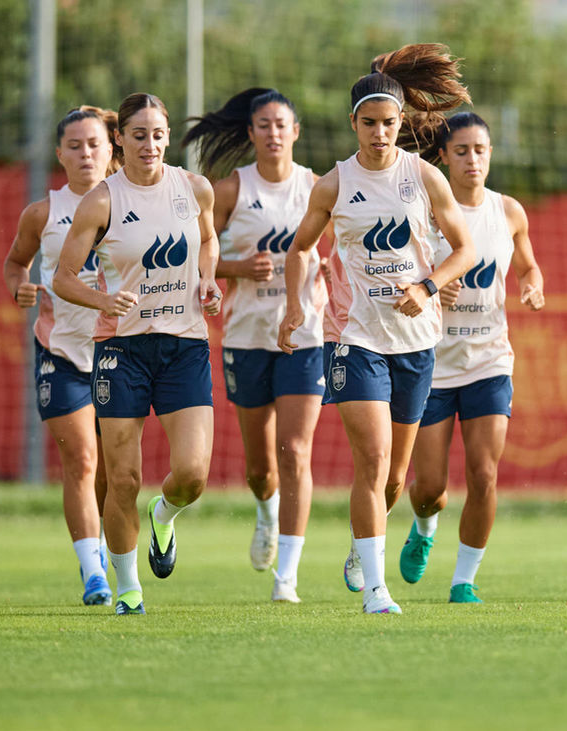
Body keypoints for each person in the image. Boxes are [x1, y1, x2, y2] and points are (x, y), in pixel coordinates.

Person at [279, 43, 476, 614]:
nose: (380, 133)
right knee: (372, 460)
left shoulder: (425, 177)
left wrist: (427, 287)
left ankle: (361, 544)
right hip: (353, 337)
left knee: (393, 478)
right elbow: (300, 249)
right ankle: (376, 589)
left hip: (416, 341)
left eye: (389, 123)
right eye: (369, 123)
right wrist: (295, 307)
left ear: (401, 122)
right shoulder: (334, 184)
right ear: (354, 123)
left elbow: (464, 250)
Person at [53, 92, 222, 616]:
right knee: (123, 478)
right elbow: (63, 278)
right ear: (120, 139)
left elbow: (208, 241)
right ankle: (128, 590)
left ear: (168, 138)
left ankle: (164, 516)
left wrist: (209, 278)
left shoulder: (195, 188)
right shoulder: (101, 201)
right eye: (138, 135)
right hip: (121, 351)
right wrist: (103, 300)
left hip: (185, 346)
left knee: (192, 474)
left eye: (158, 134)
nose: (149, 144)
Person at [182, 88, 327, 602]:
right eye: (263, 125)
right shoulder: (230, 191)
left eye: (281, 124)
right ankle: (267, 513)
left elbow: (342, 250)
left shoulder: (317, 187)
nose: (273, 133)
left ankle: (287, 576)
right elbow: (195, 256)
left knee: (295, 451)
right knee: (262, 469)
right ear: (250, 133)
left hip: (305, 337)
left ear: (296, 131)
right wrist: (237, 268)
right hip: (246, 338)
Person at [396, 112, 544, 604]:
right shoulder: (424, 211)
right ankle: (423, 527)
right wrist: (431, 287)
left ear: (491, 154)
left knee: (484, 474)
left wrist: (532, 286)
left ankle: (464, 581)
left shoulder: (509, 212)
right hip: (433, 365)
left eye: (480, 150)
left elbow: (528, 266)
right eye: (461, 151)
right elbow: (398, 273)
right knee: (429, 489)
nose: (472, 160)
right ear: (443, 157)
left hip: (489, 362)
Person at [4, 106, 119, 606]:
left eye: (94, 144)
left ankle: (111, 548)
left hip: (119, 353)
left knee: (115, 471)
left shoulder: (132, 202)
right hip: (61, 352)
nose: (85, 153)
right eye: (75, 146)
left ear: (111, 149)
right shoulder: (42, 213)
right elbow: (16, 263)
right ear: (59, 154)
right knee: (82, 459)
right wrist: (19, 287)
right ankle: (93, 574)